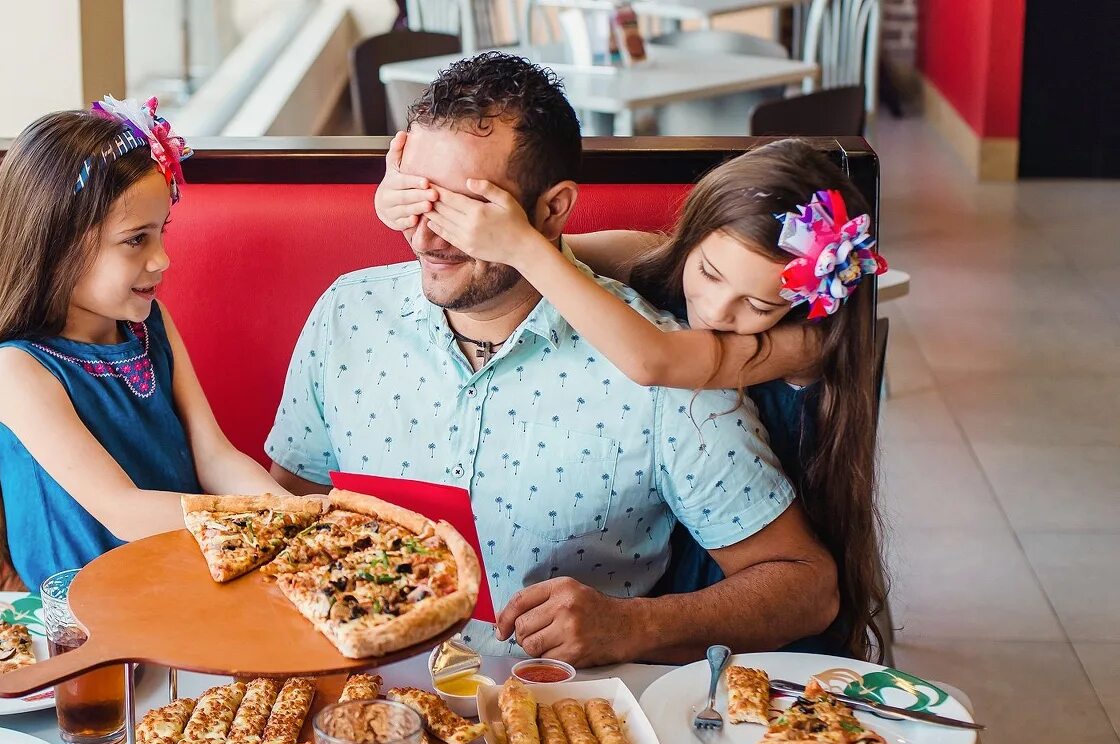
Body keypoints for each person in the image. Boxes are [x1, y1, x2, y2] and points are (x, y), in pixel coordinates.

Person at [266, 52, 838, 665]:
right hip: (358, 688)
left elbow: (808, 589)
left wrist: (633, 624)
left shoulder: (673, 375)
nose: (429, 238)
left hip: (555, 715)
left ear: (552, 208)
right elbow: (289, 512)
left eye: (468, 209)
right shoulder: (348, 314)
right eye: (420, 199)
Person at [376, 136, 889, 660]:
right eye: (709, 273)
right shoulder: (655, 258)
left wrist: (519, 246)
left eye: (757, 303)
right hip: (663, 521)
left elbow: (654, 362)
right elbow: (548, 256)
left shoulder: (806, 339)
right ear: (692, 239)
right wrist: (413, 204)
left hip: (748, 555)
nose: (714, 311)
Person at [0, 96, 289, 592]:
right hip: (84, 619)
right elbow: (123, 509)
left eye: (161, 234)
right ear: (58, 246)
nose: (162, 260)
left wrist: (295, 512)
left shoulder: (151, 323)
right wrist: (263, 518)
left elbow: (214, 455)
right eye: (136, 239)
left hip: (176, 583)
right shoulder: (18, 368)